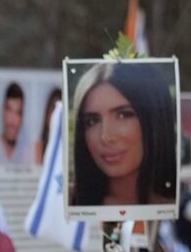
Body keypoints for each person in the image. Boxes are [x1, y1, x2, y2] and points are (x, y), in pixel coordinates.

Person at [69, 62, 177, 208]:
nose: (105, 137)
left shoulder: (186, 209)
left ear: (154, 120)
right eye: (92, 121)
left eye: (123, 115)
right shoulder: (67, 207)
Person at [0, 82, 29, 164]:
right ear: (3, 111)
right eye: (9, 110)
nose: (12, 120)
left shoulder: (28, 152)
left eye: (18, 112)